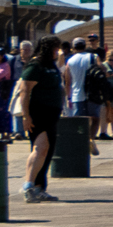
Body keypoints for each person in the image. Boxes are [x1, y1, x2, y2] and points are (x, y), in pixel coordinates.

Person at [17, 36, 65, 203]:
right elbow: (24, 91)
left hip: (52, 114)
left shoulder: (51, 64)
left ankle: (40, 187)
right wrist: (25, 115)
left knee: (47, 151)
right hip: (38, 112)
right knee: (40, 147)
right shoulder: (35, 65)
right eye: (55, 48)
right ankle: (28, 185)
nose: (58, 52)